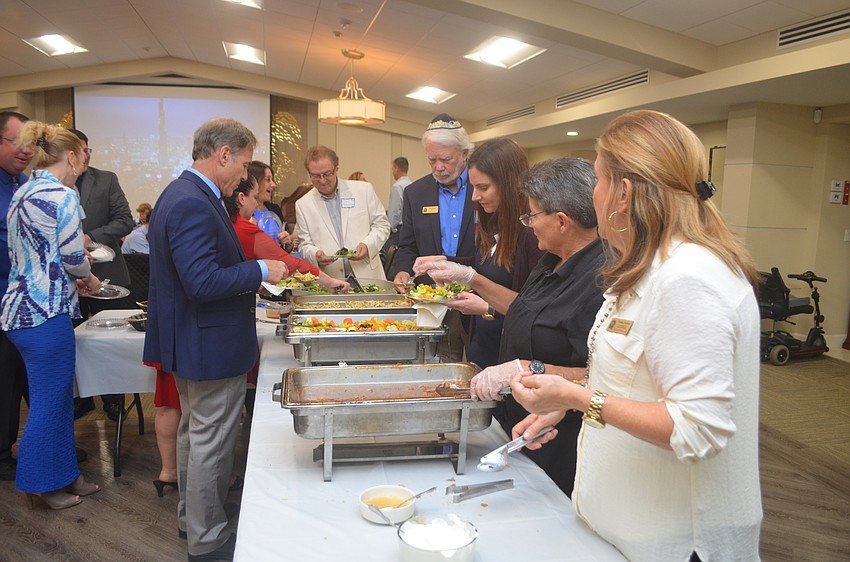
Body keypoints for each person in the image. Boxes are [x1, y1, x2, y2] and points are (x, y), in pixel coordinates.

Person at [511, 110, 763, 561]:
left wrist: (578, 398)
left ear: (623, 193)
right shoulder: (649, 267)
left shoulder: (688, 277)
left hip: (674, 541)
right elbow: (636, 381)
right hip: (626, 526)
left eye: (599, 180)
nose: (593, 194)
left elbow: (697, 428)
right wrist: (566, 402)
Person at [143, 118, 288, 561]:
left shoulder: (182, 194)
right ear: (224, 154)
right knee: (210, 443)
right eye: (243, 165)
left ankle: (193, 521)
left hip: (192, 342)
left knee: (194, 436)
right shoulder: (193, 201)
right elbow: (202, 282)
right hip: (209, 345)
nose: (244, 176)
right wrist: (261, 269)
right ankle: (207, 540)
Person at [425, 157, 604, 496]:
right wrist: (469, 277)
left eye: (532, 215)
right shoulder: (551, 258)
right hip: (519, 424)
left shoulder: (598, 280)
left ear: (562, 221)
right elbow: (522, 308)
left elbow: (600, 375)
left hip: (557, 436)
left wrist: (528, 368)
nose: (529, 224)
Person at [0, 121, 102, 509]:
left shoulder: (23, 191)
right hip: (46, 315)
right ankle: (40, 485)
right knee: (49, 405)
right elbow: (74, 258)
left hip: (20, 311)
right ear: (71, 156)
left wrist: (70, 272)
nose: (82, 167)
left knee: (55, 402)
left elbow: (37, 254)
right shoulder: (63, 196)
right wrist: (88, 278)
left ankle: (65, 475)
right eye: (83, 158)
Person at [412, 138, 544, 368]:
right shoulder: (492, 222)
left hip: (511, 357)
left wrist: (474, 284)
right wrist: (446, 262)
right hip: (483, 346)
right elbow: (487, 264)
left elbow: (534, 310)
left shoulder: (532, 235)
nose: (474, 196)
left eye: (483, 188)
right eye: (474, 188)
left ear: (509, 185)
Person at [390, 114, 477, 362]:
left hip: (477, 296)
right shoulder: (415, 193)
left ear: (464, 154)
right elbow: (408, 245)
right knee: (443, 366)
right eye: (432, 160)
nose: (438, 167)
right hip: (434, 301)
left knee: (481, 366)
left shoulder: (482, 188)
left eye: (446, 159)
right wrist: (403, 270)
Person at [69, 128, 135, 422]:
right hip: (70, 282)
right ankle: (82, 398)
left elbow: (124, 221)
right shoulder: (56, 185)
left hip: (107, 276)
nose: (86, 156)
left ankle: (114, 399)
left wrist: (89, 238)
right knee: (75, 343)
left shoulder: (106, 179)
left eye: (88, 150)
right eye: (81, 151)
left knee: (110, 343)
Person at [295, 145, 390, 280]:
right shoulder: (303, 205)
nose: (322, 180)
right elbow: (304, 244)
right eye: (315, 176)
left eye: (327, 174)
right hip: (331, 280)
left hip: (368, 276)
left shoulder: (363, 190)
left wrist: (367, 245)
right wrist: (315, 254)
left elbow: (382, 225)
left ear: (336, 168)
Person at [0, 111, 33, 482]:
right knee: (5, 379)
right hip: (4, 298)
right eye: (17, 142)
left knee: (27, 377)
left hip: (27, 302)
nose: (26, 150)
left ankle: (42, 445)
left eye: (30, 144)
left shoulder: (23, 183)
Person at [247, 161, 298, 251]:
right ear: (254, 182)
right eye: (268, 180)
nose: (274, 185)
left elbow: (287, 248)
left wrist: (288, 242)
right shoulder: (244, 213)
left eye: (272, 180)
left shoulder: (275, 209)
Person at [383, 156, 411, 253]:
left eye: (392, 169)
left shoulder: (397, 187)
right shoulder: (412, 185)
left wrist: (388, 229)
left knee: (389, 256)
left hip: (398, 231)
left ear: (396, 168)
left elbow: (395, 211)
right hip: (409, 228)